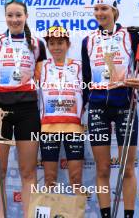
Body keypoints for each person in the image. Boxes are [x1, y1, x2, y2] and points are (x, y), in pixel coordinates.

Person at [81, 0, 139, 218]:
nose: (100, 13)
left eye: (104, 9)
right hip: (98, 107)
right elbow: (85, 80)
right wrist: (82, 110)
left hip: (124, 105)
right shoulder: (88, 41)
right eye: (97, 9)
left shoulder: (131, 36)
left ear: (115, 11)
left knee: (127, 168)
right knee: (102, 168)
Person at [0, 0, 46, 218]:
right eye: (10, 15)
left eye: (19, 15)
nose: (14, 19)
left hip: (28, 110)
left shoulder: (38, 44)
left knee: (28, 172)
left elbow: (44, 78)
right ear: (5, 17)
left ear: (26, 16)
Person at [35, 26, 84, 193]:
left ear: (68, 44)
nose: (56, 47)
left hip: (74, 128)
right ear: (47, 46)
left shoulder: (80, 66)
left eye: (60, 43)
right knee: (49, 179)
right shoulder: (40, 67)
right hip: (48, 128)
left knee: (76, 180)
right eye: (52, 43)